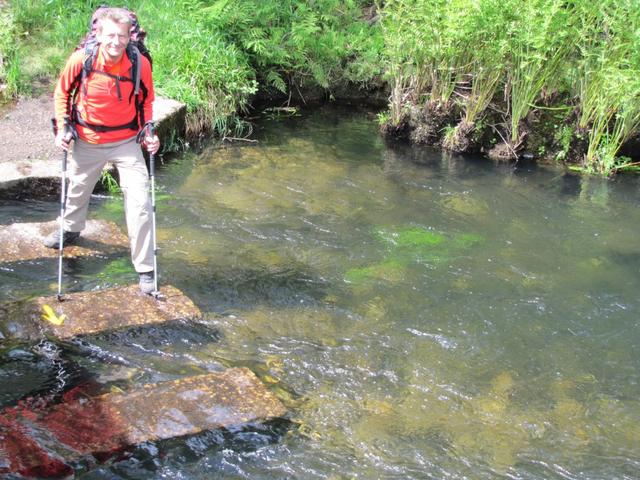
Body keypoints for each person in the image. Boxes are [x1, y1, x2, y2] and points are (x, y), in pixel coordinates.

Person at [44, 8, 161, 295]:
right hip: (88, 139)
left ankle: (145, 269)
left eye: (122, 36)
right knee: (78, 188)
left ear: (129, 37)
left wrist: (149, 131)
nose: (116, 42)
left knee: (140, 203)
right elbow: (62, 93)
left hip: (126, 142)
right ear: (98, 34)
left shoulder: (139, 63)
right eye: (110, 35)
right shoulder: (82, 59)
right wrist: (63, 127)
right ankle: (71, 229)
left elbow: (147, 100)